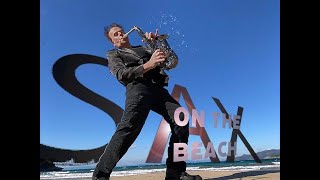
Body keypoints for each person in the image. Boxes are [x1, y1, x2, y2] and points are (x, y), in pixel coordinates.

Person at [92, 23, 202, 180]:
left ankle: (175, 174)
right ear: (112, 42)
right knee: (129, 129)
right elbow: (121, 74)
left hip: (158, 90)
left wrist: (156, 43)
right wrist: (147, 65)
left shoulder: (144, 48)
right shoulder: (113, 54)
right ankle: (100, 176)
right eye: (115, 35)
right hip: (137, 88)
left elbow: (169, 63)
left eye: (121, 32)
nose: (120, 35)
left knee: (181, 119)